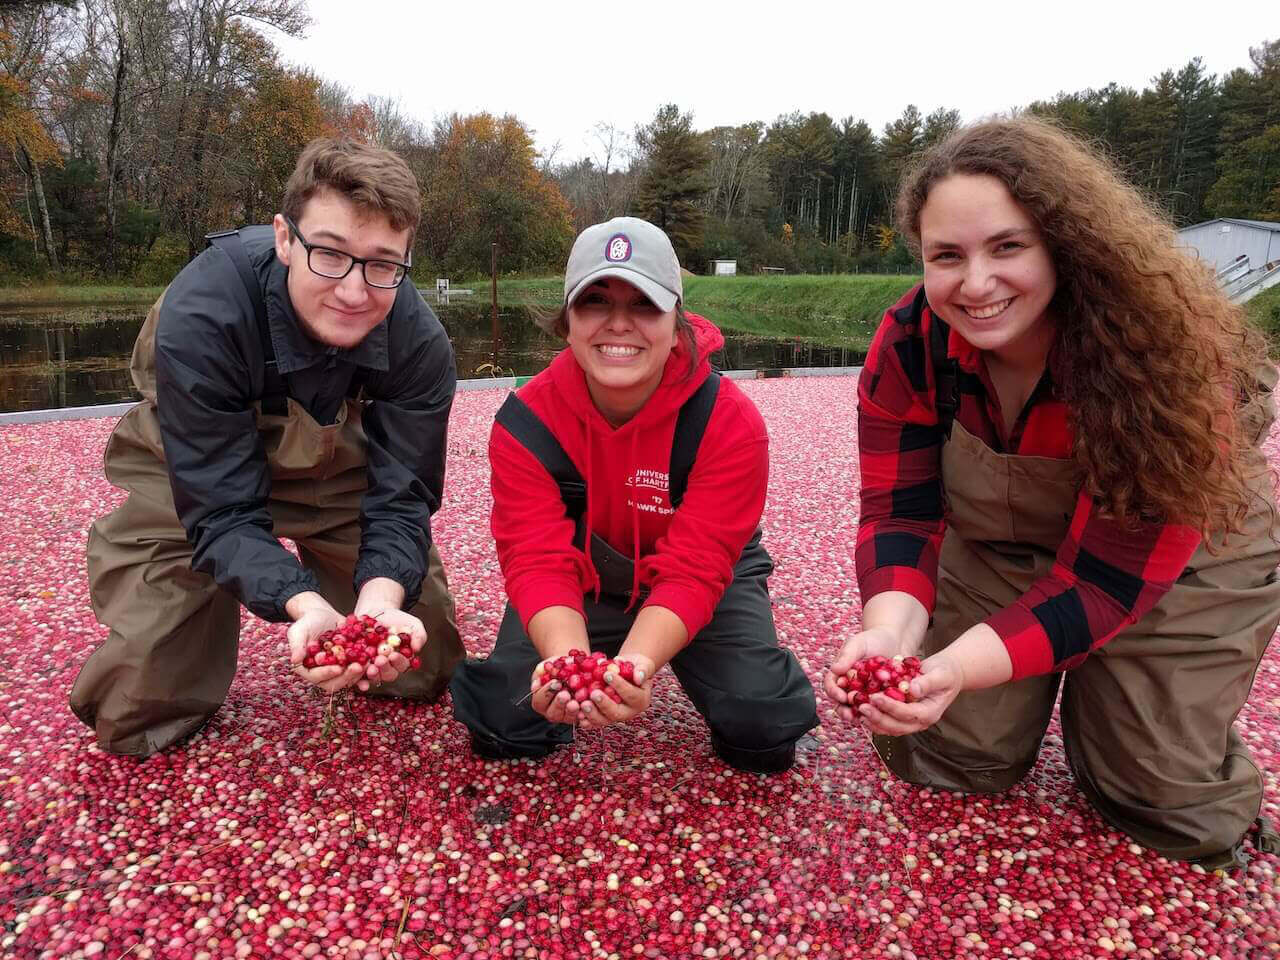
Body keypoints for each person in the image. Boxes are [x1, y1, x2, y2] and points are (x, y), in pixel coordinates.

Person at [825, 116, 1280, 870]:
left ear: (1064, 243)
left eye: (1007, 247)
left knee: (1161, 796)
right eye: (947, 257)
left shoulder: (1166, 361)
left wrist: (960, 665)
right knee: (949, 754)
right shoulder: (912, 341)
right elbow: (899, 514)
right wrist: (893, 633)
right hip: (1005, 540)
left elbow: (1102, 583)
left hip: (1184, 559)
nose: (975, 284)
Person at [70, 138, 463, 757]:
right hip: (192, 472)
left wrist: (379, 598)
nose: (356, 291)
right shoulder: (205, 315)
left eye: (383, 264)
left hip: (336, 472)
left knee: (418, 661)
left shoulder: (421, 344)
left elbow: (401, 497)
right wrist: (300, 602)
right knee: (140, 703)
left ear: (407, 259)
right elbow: (221, 508)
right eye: (330, 254)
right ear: (285, 238)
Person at [450, 216, 817, 773]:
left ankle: (731, 658)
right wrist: (568, 663)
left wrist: (634, 667)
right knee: (507, 718)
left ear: (677, 322)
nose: (618, 325)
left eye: (644, 305)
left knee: (760, 726)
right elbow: (538, 559)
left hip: (704, 580)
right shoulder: (527, 423)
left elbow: (697, 567)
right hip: (584, 578)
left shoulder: (729, 421)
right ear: (567, 321)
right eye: (596, 302)